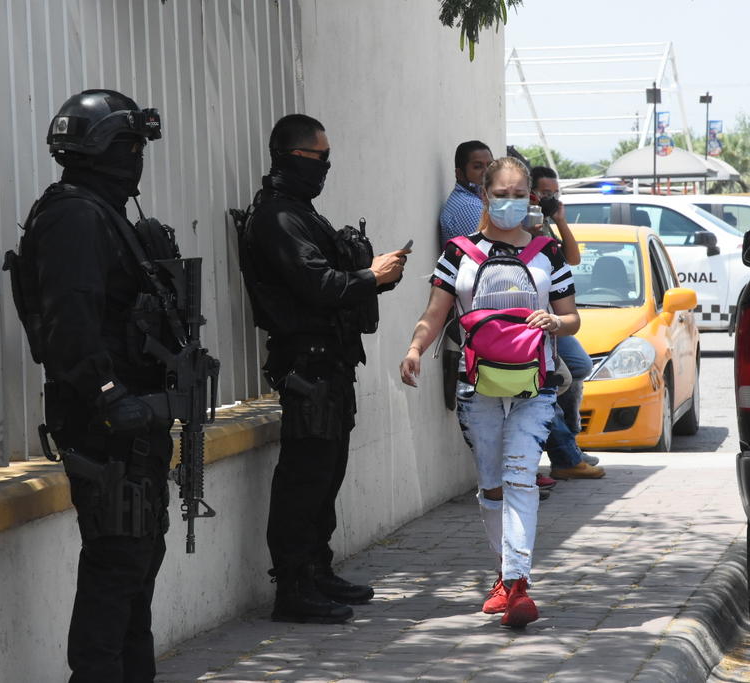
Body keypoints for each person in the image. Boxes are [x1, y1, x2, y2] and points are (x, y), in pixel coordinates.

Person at [12, 90, 174, 681]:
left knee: (137, 561)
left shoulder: (100, 211)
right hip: (106, 424)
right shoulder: (75, 216)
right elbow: (70, 325)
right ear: (110, 148)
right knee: (115, 567)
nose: (138, 159)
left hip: (132, 420)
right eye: (133, 146)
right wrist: (113, 399)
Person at [400, 156, 580, 626]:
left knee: (521, 475)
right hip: (476, 385)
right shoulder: (458, 252)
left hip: (535, 386)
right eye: (502, 194)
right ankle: (504, 575)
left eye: (520, 194)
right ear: (484, 196)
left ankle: (517, 584)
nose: (511, 202)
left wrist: (556, 321)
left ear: (531, 198)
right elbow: (435, 312)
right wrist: (416, 348)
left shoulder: (547, 253)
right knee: (492, 484)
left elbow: (572, 316)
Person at [243, 114, 409, 624]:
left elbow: (333, 276)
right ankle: (292, 588)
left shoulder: (301, 212)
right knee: (304, 476)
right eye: (320, 158)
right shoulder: (277, 217)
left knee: (328, 470)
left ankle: (316, 569)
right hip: (305, 364)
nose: (326, 167)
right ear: (292, 156)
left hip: (331, 362)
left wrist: (375, 276)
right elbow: (316, 284)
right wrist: (368, 275)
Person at [528, 166, 604, 480]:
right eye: (545, 192)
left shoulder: (545, 222)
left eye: (554, 192)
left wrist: (558, 218)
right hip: (535, 318)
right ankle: (565, 452)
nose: (550, 197)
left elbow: (572, 258)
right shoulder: (525, 220)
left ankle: (570, 442)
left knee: (580, 367)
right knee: (554, 379)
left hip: (554, 315)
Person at [439, 140, 494, 243]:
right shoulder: (470, 205)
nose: (487, 172)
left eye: (490, 166)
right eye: (477, 167)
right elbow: (489, 249)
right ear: (459, 174)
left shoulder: (473, 198)